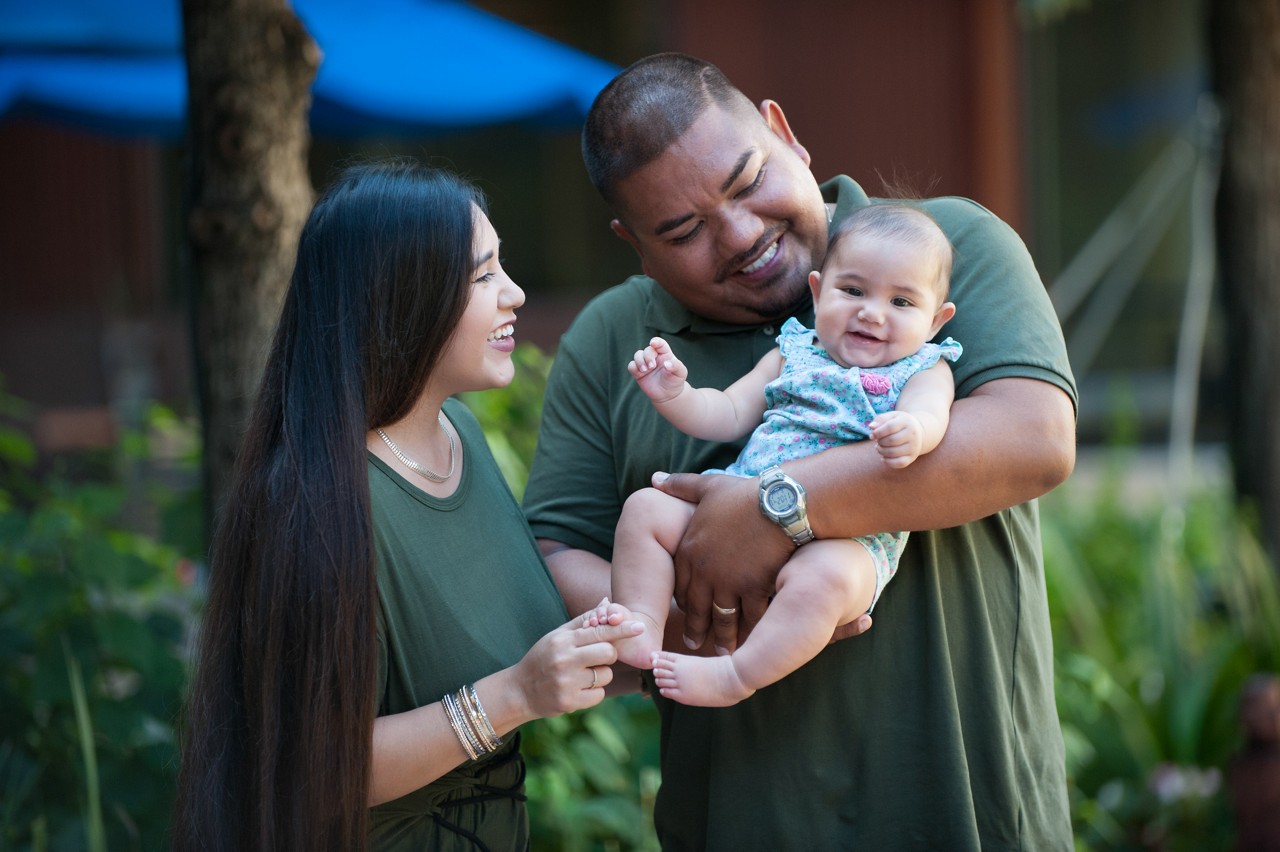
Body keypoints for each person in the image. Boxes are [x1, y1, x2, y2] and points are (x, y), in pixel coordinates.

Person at [522, 53, 1078, 848]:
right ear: (633, 243)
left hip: (967, 812)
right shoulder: (612, 340)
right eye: (683, 231)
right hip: (738, 823)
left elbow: (1034, 441)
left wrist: (777, 510)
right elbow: (553, 554)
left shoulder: (942, 248)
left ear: (785, 135)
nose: (742, 235)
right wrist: (701, 629)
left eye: (748, 182)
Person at [173, 160, 643, 852]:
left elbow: (514, 655)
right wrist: (513, 695)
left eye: (501, 267)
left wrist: (679, 654)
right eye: (483, 276)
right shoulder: (313, 502)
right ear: (401, 299)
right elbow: (314, 768)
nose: (512, 293)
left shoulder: (464, 438)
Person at [597, 203, 960, 707]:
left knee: (825, 580)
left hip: (849, 538)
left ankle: (736, 676)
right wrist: (674, 394)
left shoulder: (924, 367)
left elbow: (933, 416)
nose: (871, 312)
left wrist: (913, 430)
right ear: (817, 291)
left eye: (901, 302)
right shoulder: (793, 353)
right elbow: (726, 411)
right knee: (646, 509)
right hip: (736, 509)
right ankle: (640, 625)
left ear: (936, 319)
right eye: (852, 290)